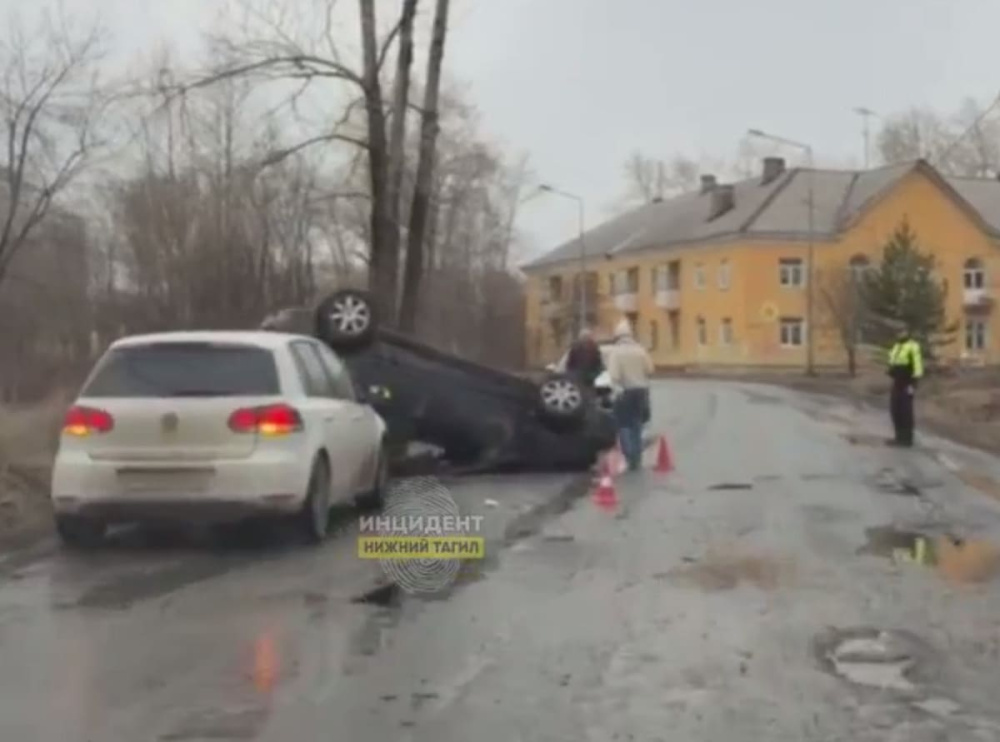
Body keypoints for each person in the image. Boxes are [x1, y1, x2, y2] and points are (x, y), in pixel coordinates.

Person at [606, 317, 654, 471]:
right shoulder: (640, 350)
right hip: (641, 391)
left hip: (624, 391)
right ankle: (637, 457)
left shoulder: (616, 353)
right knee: (637, 424)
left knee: (623, 425)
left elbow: (614, 375)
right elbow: (650, 370)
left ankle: (629, 454)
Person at [886, 325, 924, 447]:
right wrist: (891, 370)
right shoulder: (897, 346)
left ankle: (907, 439)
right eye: (898, 331)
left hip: (907, 382)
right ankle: (898, 437)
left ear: (907, 332)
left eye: (902, 331)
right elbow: (893, 361)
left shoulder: (912, 346)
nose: (900, 334)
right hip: (897, 381)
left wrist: (914, 382)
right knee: (895, 409)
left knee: (906, 411)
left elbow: (917, 365)